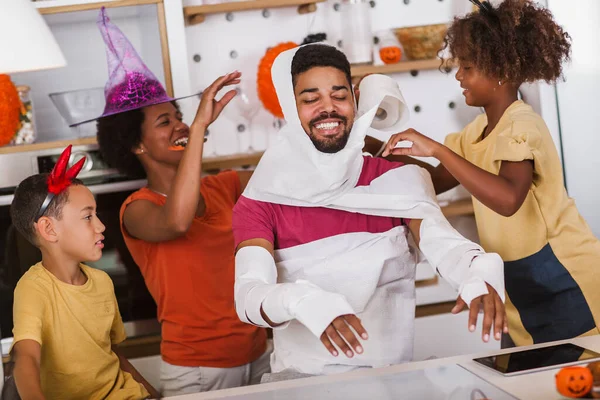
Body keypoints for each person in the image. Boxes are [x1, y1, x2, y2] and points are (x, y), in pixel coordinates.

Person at [232, 43, 507, 380]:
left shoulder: (398, 179)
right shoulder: (261, 200)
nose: (328, 108)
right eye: (310, 99)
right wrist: (302, 301)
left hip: (394, 381)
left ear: (355, 99)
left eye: (339, 95)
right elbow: (248, 295)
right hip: (302, 386)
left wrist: (477, 269)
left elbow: (444, 244)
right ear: (292, 107)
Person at [381, 0, 600, 348]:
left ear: (500, 69)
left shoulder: (522, 124)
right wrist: (367, 145)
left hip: (565, 279)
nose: (458, 76)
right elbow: (436, 181)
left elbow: (508, 198)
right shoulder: (477, 131)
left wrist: (437, 149)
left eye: (467, 67)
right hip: (518, 283)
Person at [90, 8, 269, 396]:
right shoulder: (136, 210)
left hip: (259, 352)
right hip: (198, 369)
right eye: (164, 122)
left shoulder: (225, 186)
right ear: (136, 145)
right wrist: (201, 126)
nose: (181, 125)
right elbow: (177, 222)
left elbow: (289, 177)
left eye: (179, 116)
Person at [10, 145, 158, 400]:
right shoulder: (33, 288)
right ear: (49, 229)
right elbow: (25, 358)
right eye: (87, 217)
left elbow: (110, 353)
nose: (101, 225)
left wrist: (153, 394)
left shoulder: (101, 281)